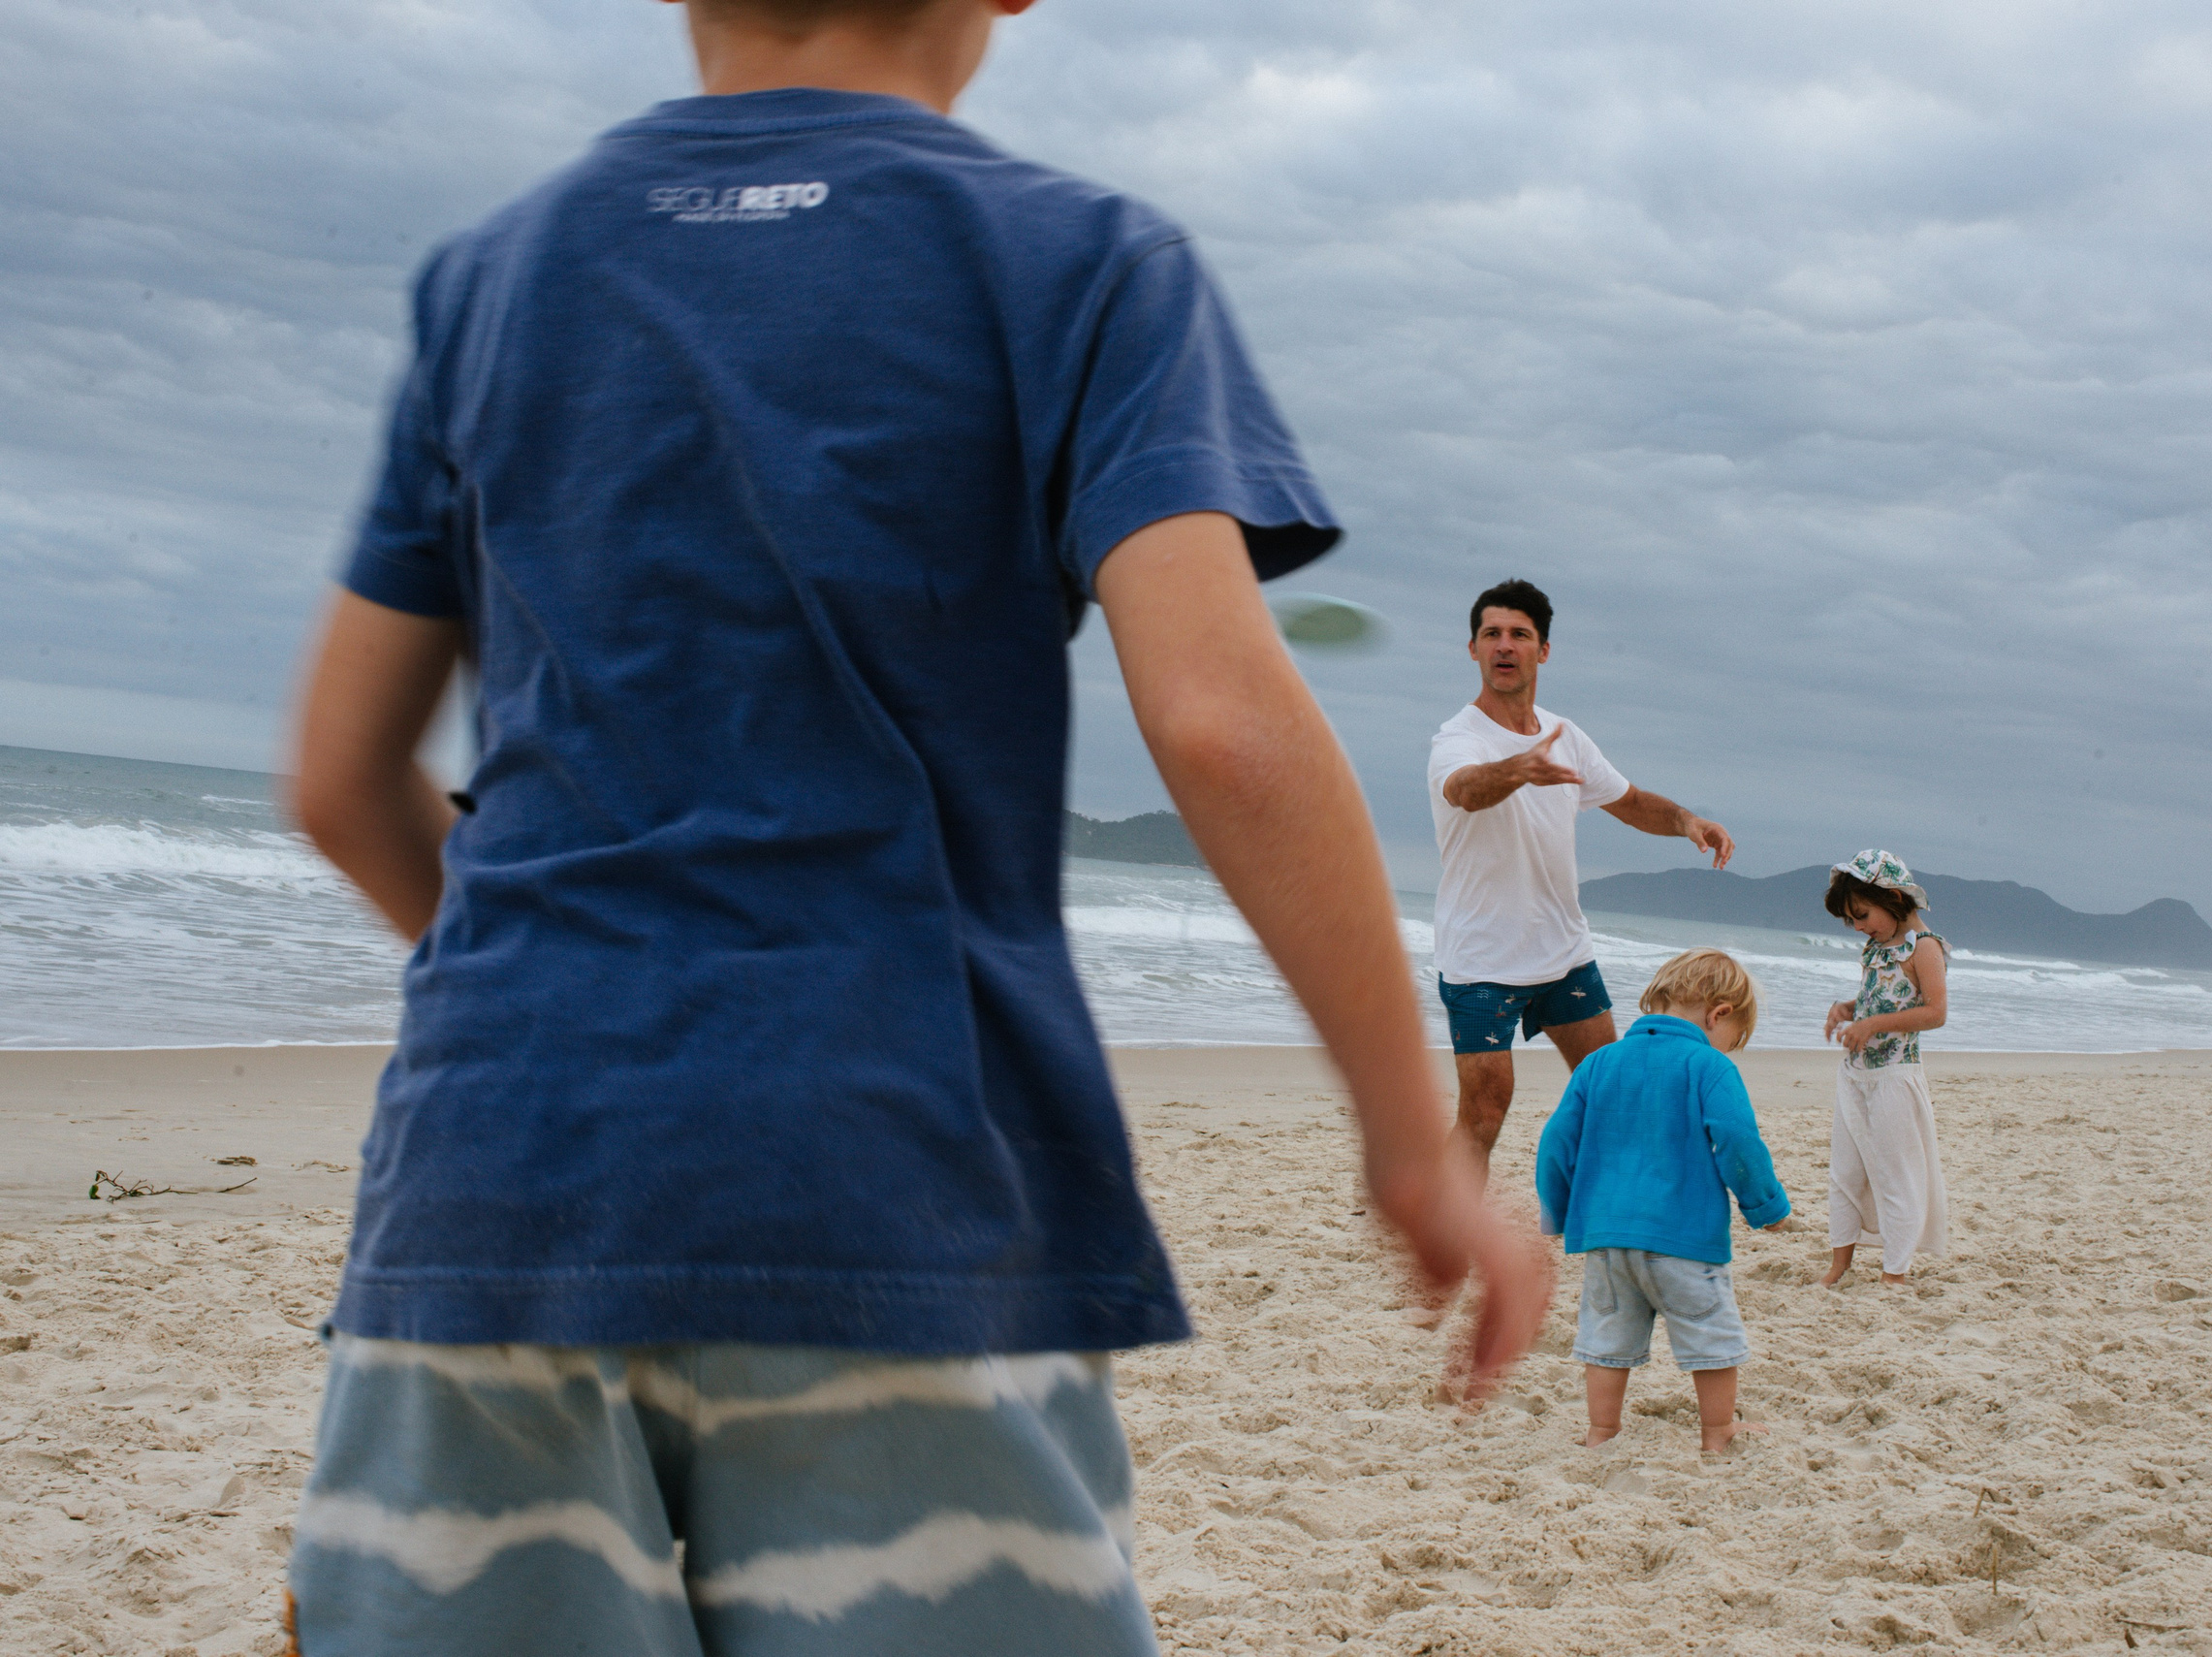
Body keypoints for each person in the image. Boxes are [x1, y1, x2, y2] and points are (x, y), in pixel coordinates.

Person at [279, 3, 1546, 1652]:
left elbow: (337, 780)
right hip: (896, 1190)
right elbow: (1226, 728)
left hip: (488, 1191)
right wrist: (1408, 1140)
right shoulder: (1081, 263)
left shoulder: (490, 276)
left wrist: (547, 996)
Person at [1429, 578, 1735, 1169]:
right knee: (1484, 1114)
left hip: (1563, 953)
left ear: (1543, 650)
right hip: (1481, 961)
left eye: (1520, 634)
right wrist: (1519, 768)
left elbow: (1629, 800)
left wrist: (1686, 821)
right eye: (1491, 633)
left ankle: (1606, 1213)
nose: (1504, 645)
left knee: (1610, 1094)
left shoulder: (1565, 737)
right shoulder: (1458, 738)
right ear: (1473, 648)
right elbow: (1465, 790)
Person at [1533, 949, 1789, 1452]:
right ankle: (1717, 1432)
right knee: (1711, 1336)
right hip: (1684, 1237)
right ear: (1718, 1014)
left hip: (1606, 1236)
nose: (1728, 1048)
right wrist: (1766, 1207)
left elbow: (1556, 1142)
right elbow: (1737, 1140)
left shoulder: (1597, 1063)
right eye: (1733, 1037)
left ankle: (1602, 1431)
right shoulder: (1710, 1065)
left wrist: (1559, 1212)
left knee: (1607, 1337)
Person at [1818, 850, 1953, 1289]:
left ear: (1892, 898)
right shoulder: (1875, 947)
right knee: (1845, 1172)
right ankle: (1839, 1266)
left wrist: (1873, 1025)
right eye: (1850, 920)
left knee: (1897, 1176)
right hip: (1855, 1075)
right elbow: (1877, 998)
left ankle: (1895, 1272)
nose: (1858, 926)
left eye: (1861, 915)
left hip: (1895, 1077)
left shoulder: (1925, 947)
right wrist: (1848, 1009)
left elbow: (1935, 1012)